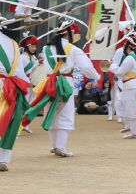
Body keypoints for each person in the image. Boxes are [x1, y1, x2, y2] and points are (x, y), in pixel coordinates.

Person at [23, 20, 99, 157]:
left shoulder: (46, 48)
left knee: (52, 111)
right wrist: (97, 76)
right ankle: (61, 147)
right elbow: (87, 67)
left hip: (49, 82)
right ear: (69, 33)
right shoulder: (73, 49)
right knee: (65, 113)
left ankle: (54, 146)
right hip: (65, 83)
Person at [0, 20, 30, 171]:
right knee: (9, 121)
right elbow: (21, 73)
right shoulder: (13, 43)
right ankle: (3, 160)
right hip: (10, 86)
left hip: (4, 83)